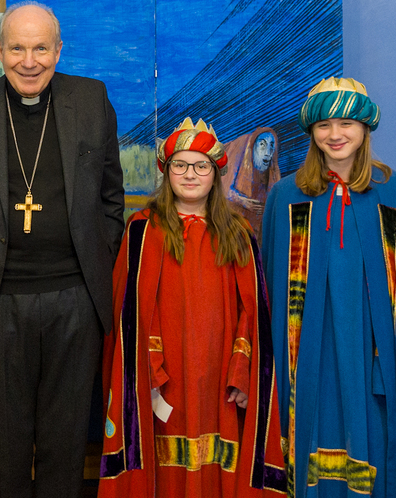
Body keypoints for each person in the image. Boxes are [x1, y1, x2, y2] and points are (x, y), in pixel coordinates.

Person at [0, 2, 125, 498]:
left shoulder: (91, 100)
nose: (28, 61)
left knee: (67, 441)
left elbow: (111, 200)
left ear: (58, 50)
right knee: (4, 443)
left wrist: (94, 268)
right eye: (16, 48)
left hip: (74, 299)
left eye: (40, 48)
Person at [262, 77, 396, 497]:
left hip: (376, 356)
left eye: (346, 123)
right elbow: (271, 292)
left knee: (378, 437)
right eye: (324, 124)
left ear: (364, 127)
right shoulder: (286, 198)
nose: (335, 134)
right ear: (312, 131)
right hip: (309, 353)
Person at [98, 117, 286, 498]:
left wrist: (242, 370)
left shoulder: (238, 234)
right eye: (180, 165)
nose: (190, 174)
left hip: (220, 381)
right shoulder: (142, 230)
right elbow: (130, 311)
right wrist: (150, 369)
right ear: (166, 172)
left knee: (218, 463)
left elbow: (253, 312)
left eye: (201, 166)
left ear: (216, 174)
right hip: (163, 380)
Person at [223, 127, 280, 242]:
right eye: (262, 145)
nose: (268, 152)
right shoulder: (239, 151)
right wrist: (242, 201)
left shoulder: (271, 172)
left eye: (271, 146)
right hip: (233, 227)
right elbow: (223, 188)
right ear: (253, 146)